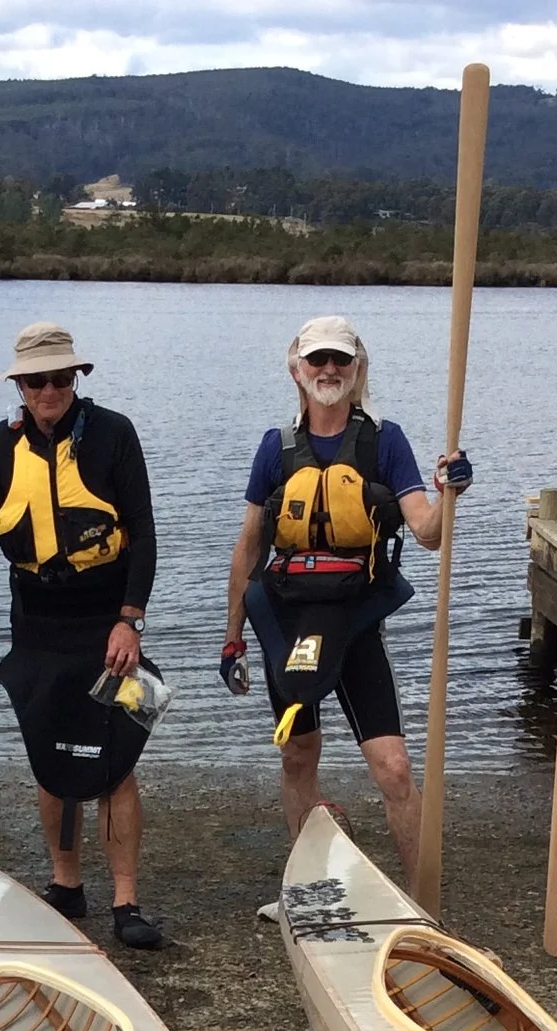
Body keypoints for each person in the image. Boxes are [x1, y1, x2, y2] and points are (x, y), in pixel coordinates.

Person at [0, 323, 164, 949]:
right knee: (52, 761)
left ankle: (126, 898)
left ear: (76, 379)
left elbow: (142, 530)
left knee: (114, 762)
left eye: (61, 378)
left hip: (107, 621)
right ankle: (66, 885)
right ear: (20, 386)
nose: (50, 389)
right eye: (37, 380)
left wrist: (130, 619)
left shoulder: (114, 433)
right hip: (36, 625)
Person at [223, 315, 468, 912]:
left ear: (358, 369)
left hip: (354, 621)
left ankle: (421, 904)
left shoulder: (385, 441)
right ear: (297, 369)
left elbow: (429, 534)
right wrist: (232, 638)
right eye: (317, 360)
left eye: (340, 360)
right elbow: (250, 544)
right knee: (298, 754)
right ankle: (304, 891)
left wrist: (449, 491)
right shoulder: (274, 447)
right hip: (285, 621)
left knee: (393, 767)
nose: (328, 370)